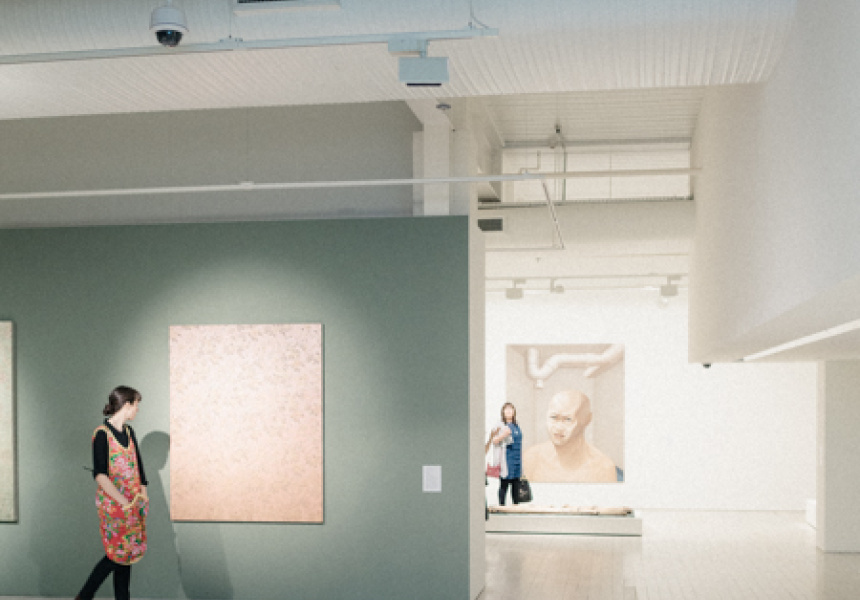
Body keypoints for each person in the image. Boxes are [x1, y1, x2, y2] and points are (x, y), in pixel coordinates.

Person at [76, 386, 149, 600]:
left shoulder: (129, 432)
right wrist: (123, 501)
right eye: (136, 405)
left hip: (133, 502)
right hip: (113, 505)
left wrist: (143, 494)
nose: (137, 410)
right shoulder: (102, 434)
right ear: (126, 405)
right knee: (116, 554)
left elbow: (139, 467)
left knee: (127, 555)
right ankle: (84, 596)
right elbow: (100, 475)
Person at [523, 389, 618, 483]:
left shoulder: (603, 467)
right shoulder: (531, 458)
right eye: (553, 417)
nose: (558, 427)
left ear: (587, 419)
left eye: (567, 419)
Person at [489, 402, 523, 505]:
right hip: (506, 459)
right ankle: (502, 507)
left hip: (517, 459)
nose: (508, 411)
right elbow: (494, 440)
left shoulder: (516, 425)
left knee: (516, 485)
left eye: (511, 409)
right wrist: (504, 434)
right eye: (506, 409)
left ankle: (515, 507)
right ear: (503, 412)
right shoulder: (500, 425)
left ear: (514, 412)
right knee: (504, 484)